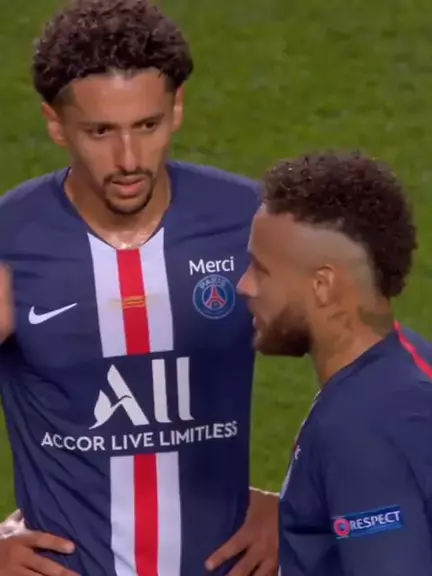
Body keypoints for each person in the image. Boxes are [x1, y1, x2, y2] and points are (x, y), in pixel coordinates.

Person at [0, 0, 279, 575]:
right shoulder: (9, 240)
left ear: (176, 108)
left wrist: (296, 503)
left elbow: (358, 354)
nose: (128, 160)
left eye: (147, 126)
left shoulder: (252, 221)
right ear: (55, 122)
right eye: (100, 131)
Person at [237, 150, 432, 575]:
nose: (244, 286)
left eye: (260, 270)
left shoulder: (359, 430)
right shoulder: (408, 362)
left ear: (322, 286)